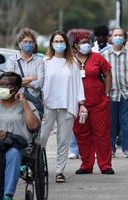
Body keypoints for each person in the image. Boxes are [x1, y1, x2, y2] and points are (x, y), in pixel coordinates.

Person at [0, 72, 40, 200]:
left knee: (13, 154)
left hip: (16, 144)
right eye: (1, 84)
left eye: (8, 85)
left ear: (16, 88)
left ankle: (8, 197)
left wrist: (24, 102)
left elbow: (33, 126)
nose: (3, 88)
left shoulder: (26, 104)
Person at [40, 31, 86, 183]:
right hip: (48, 105)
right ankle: (38, 167)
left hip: (67, 105)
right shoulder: (45, 61)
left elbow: (79, 85)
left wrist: (81, 103)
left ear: (66, 43)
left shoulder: (72, 63)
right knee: (42, 139)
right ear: (52, 44)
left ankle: (60, 171)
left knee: (63, 140)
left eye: (61, 41)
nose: (59, 44)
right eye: (56, 41)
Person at [72, 33, 115, 175]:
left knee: (101, 135)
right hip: (78, 105)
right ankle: (86, 165)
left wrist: (107, 94)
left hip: (98, 104)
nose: (86, 44)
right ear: (76, 45)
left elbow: (108, 74)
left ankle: (105, 165)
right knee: (82, 134)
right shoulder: (71, 60)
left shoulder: (97, 58)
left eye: (88, 42)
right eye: (83, 42)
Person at [102, 28, 128, 158]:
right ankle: (111, 149)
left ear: (124, 38)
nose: (117, 37)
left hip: (127, 93)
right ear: (111, 38)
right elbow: (101, 75)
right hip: (111, 94)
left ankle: (127, 148)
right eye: (115, 35)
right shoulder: (105, 55)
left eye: (120, 35)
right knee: (111, 122)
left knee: (127, 122)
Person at [6, 28, 44, 117]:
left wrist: (18, 82)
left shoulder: (39, 61)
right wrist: (32, 78)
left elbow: (39, 84)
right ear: (19, 44)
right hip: (16, 101)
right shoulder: (12, 60)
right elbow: (10, 81)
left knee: (34, 128)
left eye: (30, 42)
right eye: (25, 41)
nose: (28, 44)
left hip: (34, 103)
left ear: (34, 45)